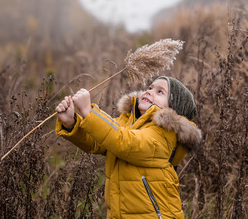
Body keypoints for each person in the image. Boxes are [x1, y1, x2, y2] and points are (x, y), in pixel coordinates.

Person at [55, 76, 202, 218]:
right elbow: (99, 140)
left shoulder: (164, 134)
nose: (149, 91)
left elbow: (125, 142)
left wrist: (89, 112)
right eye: (150, 87)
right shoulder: (127, 122)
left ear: (173, 109)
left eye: (160, 92)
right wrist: (71, 123)